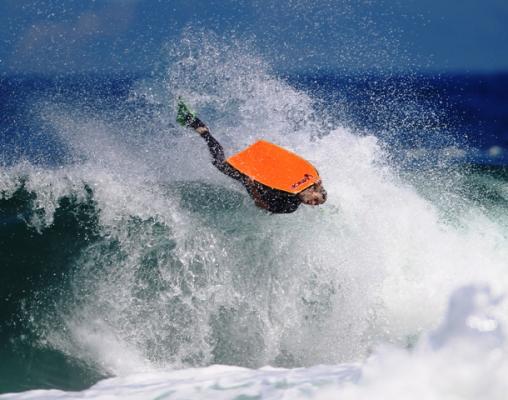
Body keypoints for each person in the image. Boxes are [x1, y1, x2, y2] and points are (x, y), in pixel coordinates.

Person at [176, 100, 327, 213]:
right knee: (222, 162)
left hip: (254, 183)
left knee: (219, 162)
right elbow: (291, 162)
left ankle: (195, 124)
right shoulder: (309, 177)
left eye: (315, 205)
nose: (312, 204)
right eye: (316, 200)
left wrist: (250, 185)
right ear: (316, 191)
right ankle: (194, 122)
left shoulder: (290, 206)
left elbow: (261, 204)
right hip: (267, 171)